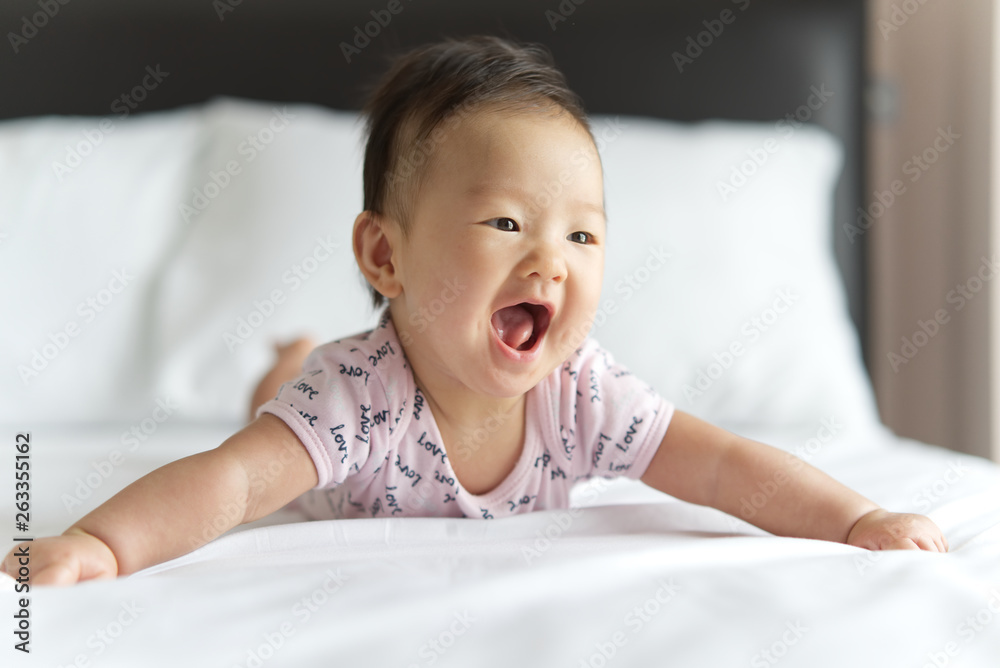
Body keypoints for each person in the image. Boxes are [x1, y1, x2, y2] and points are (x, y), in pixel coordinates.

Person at [2, 36, 947, 586]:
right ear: (385, 254)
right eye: (506, 222)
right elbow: (232, 485)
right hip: (323, 415)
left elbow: (724, 466)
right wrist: (98, 544)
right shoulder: (354, 397)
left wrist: (855, 519)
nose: (551, 260)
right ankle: (281, 360)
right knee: (279, 403)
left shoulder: (584, 394)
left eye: (583, 237)